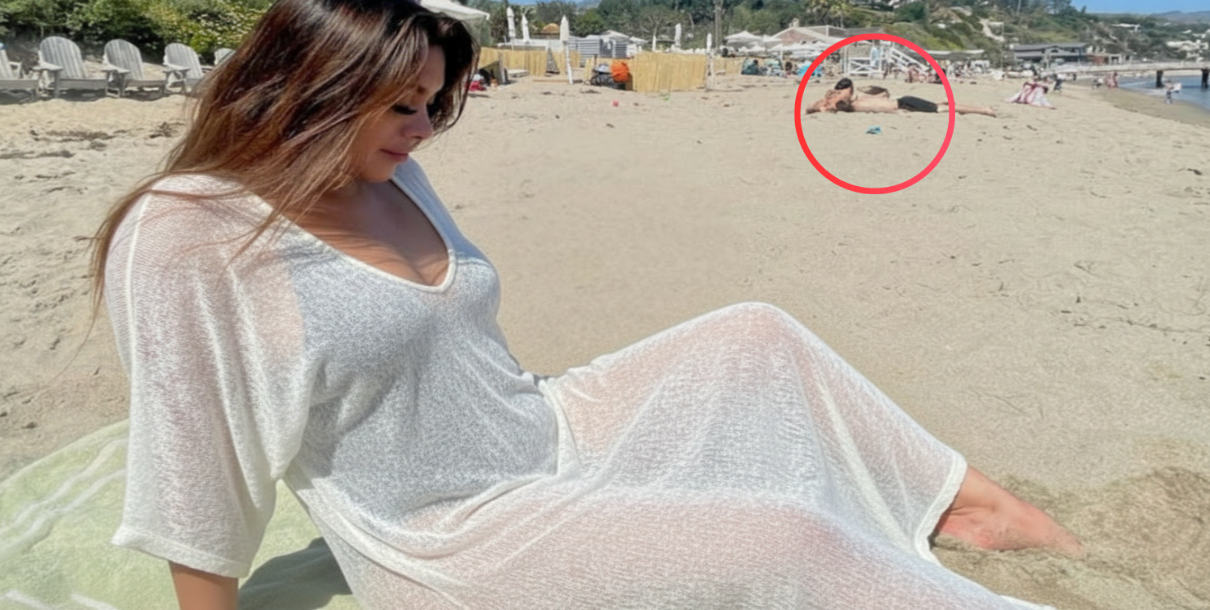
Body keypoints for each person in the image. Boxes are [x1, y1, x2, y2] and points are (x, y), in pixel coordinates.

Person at [93, 1, 1081, 608]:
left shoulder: (389, 171)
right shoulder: (191, 233)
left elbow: (462, 354)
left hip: (547, 424)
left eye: (434, 103)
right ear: (310, 87)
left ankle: (975, 504)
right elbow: (195, 466)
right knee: (781, 539)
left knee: (755, 334)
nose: (426, 128)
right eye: (402, 104)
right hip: (450, 535)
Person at [806, 78, 997, 117]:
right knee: (942, 106)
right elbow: (812, 108)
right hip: (902, 104)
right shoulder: (851, 100)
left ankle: (984, 110)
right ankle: (983, 109)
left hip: (903, 102)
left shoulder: (853, 99)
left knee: (943, 109)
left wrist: (828, 102)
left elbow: (839, 103)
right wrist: (823, 103)